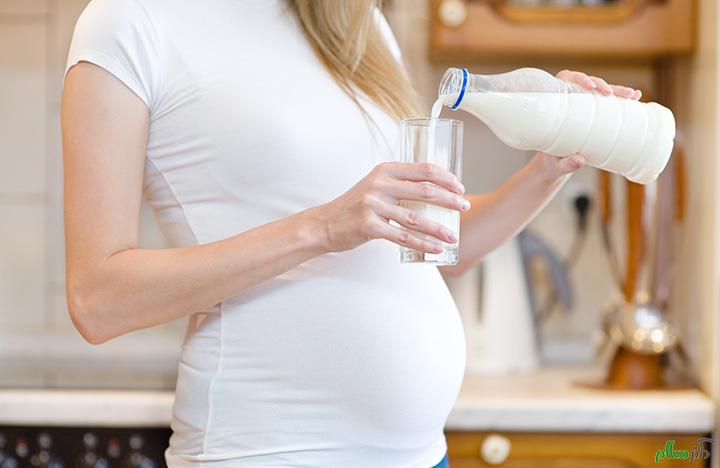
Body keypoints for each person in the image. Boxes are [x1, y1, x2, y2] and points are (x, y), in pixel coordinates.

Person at [60, 0, 642, 466]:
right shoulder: (129, 22)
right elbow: (98, 300)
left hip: (421, 455)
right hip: (268, 451)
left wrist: (546, 171)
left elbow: (440, 242)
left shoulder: (354, 23)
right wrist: (323, 227)